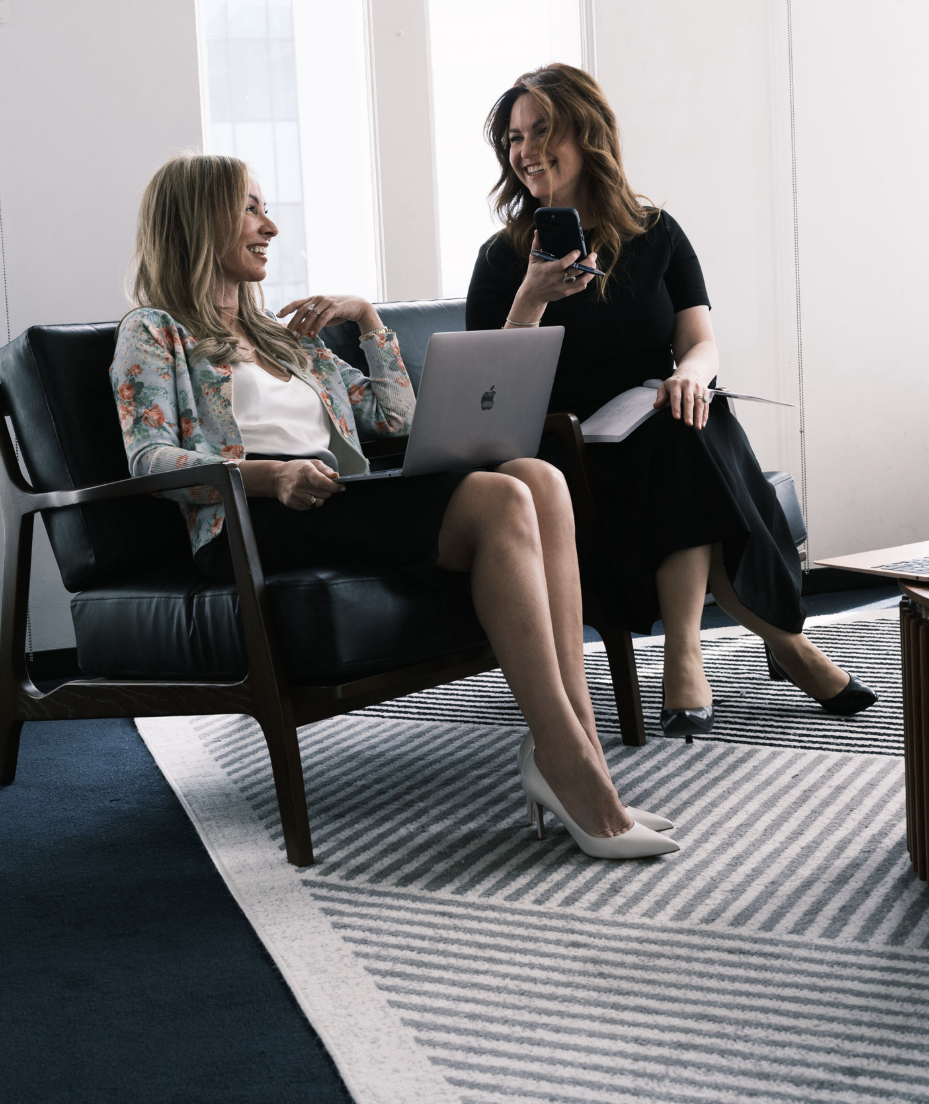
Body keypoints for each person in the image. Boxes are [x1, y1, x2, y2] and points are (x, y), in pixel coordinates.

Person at [110, 152, 680, 860]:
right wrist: (267, 477)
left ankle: (578, 753)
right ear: (199, 220)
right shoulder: (154, 330)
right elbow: (151, 459)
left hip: (335, 501)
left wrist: (369, 319)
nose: (270, 226)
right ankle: (572, 773)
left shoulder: (284, 338)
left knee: (540, 476)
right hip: (253, 521)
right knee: (502, 495)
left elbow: (397, 419)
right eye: (252, 208)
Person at [466, 64, 877, 738]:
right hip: (568, 457)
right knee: (684, 434)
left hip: (660, 427)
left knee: (687, 412)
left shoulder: (655, 232)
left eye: (543, 130)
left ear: (587, 133)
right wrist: (533, 295)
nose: (525, 149)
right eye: (513, 137)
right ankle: (788, 644)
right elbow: (491, 391)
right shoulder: (504, 257)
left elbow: (700, 341)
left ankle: (688, 655)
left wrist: (689, 374)